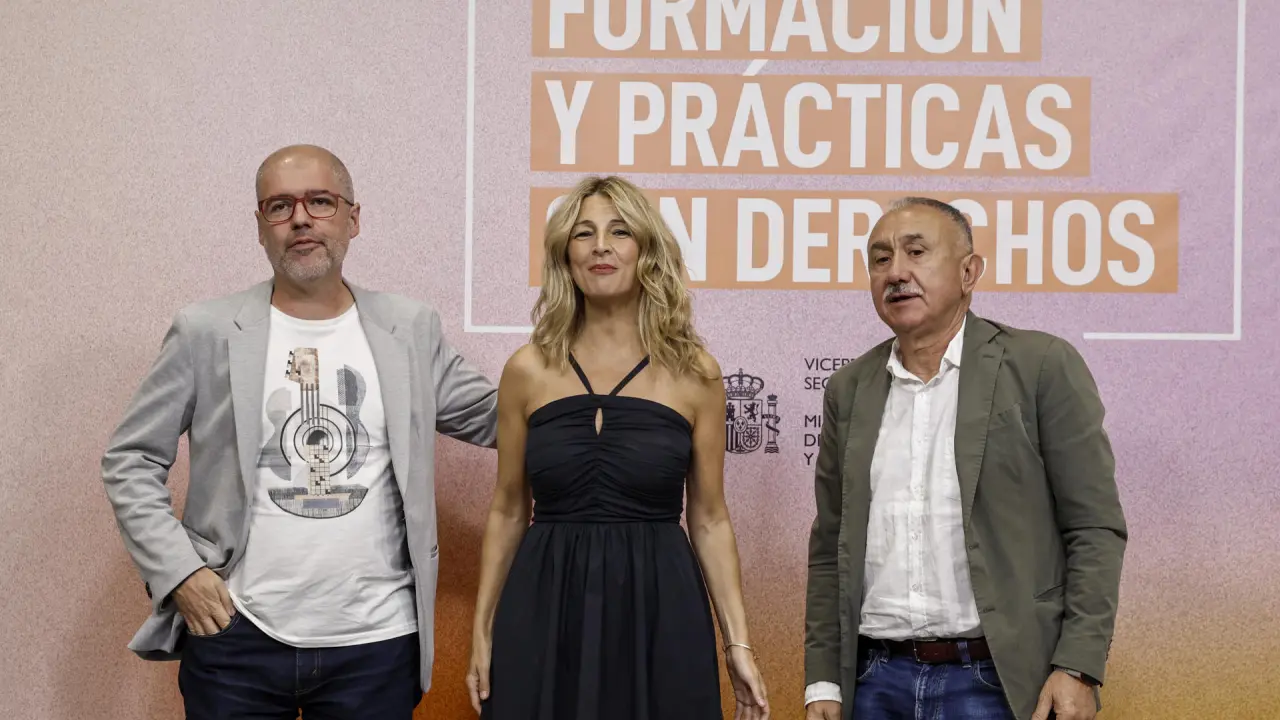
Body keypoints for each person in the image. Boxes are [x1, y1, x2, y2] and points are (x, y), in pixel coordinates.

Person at [101, 144, 498, 719]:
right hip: (237, 636)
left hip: (378, 642)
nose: (301, 219)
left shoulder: (409, 327)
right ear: (260, 226)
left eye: (321, 202)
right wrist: (180, 572)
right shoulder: (205, 330)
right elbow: (130, 459)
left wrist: (603, 378)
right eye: (280, 206)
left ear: (353, 218)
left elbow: (498, 416)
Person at [803, 198, 1127, 720]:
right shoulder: (850, 388)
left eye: (916, 252)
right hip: (874, 682)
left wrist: (1078, 665)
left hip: (999, 681)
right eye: (881, 259)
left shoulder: (1040, 365)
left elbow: (1094, 528)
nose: (896, 272)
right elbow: (829, 545)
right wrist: (823, 680)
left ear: (969, 272)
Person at [465, 176, 770, 720]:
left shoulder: (695, 372)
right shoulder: (526, 370)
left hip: (661, 608)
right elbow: (509, 508)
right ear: (565, 255)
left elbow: (709, 519)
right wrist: (483, 630)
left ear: (647, 250)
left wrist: (738, 644)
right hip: (544, 604)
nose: (600, 246)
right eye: (584, 233)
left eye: (620, 231)